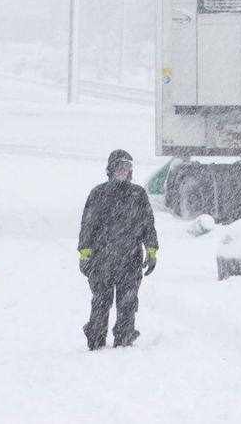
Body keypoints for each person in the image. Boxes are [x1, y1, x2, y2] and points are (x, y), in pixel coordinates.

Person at [77, 149, 159, 350]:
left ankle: (124, 337)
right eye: (119, 167)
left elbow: (148, 225)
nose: (123, 171)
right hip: (102, 261)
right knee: (101, 302)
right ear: (110, 170)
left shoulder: (137, 194)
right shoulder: (98, 194)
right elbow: (87, 226)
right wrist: (85, 254)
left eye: (127, 168)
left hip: (130, 261)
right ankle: (95, 338)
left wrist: (152, 251)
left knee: (128, 303)